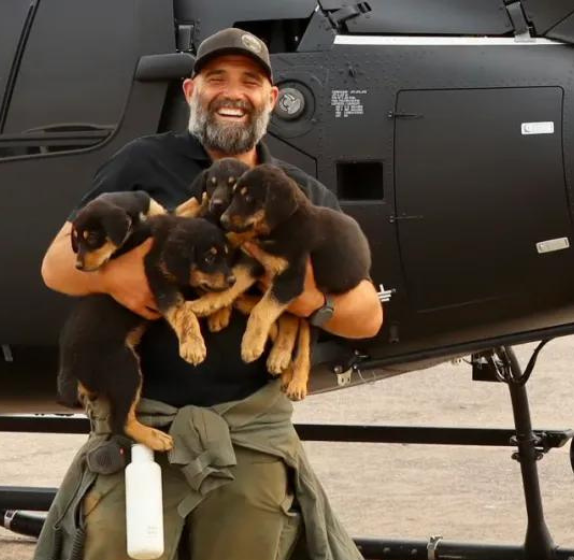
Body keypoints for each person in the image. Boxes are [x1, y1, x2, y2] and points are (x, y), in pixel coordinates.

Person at [34, 28, 383, 560]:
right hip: (142, 427)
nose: (232, 92)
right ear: (191, 90)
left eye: (249, 81)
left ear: (271, 97)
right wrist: (115, 278)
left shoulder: (298, 193)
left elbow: (367, 318)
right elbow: (57, 265)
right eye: (216, 78)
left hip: (251, 437)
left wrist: (302, 295)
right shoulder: (143, 163)